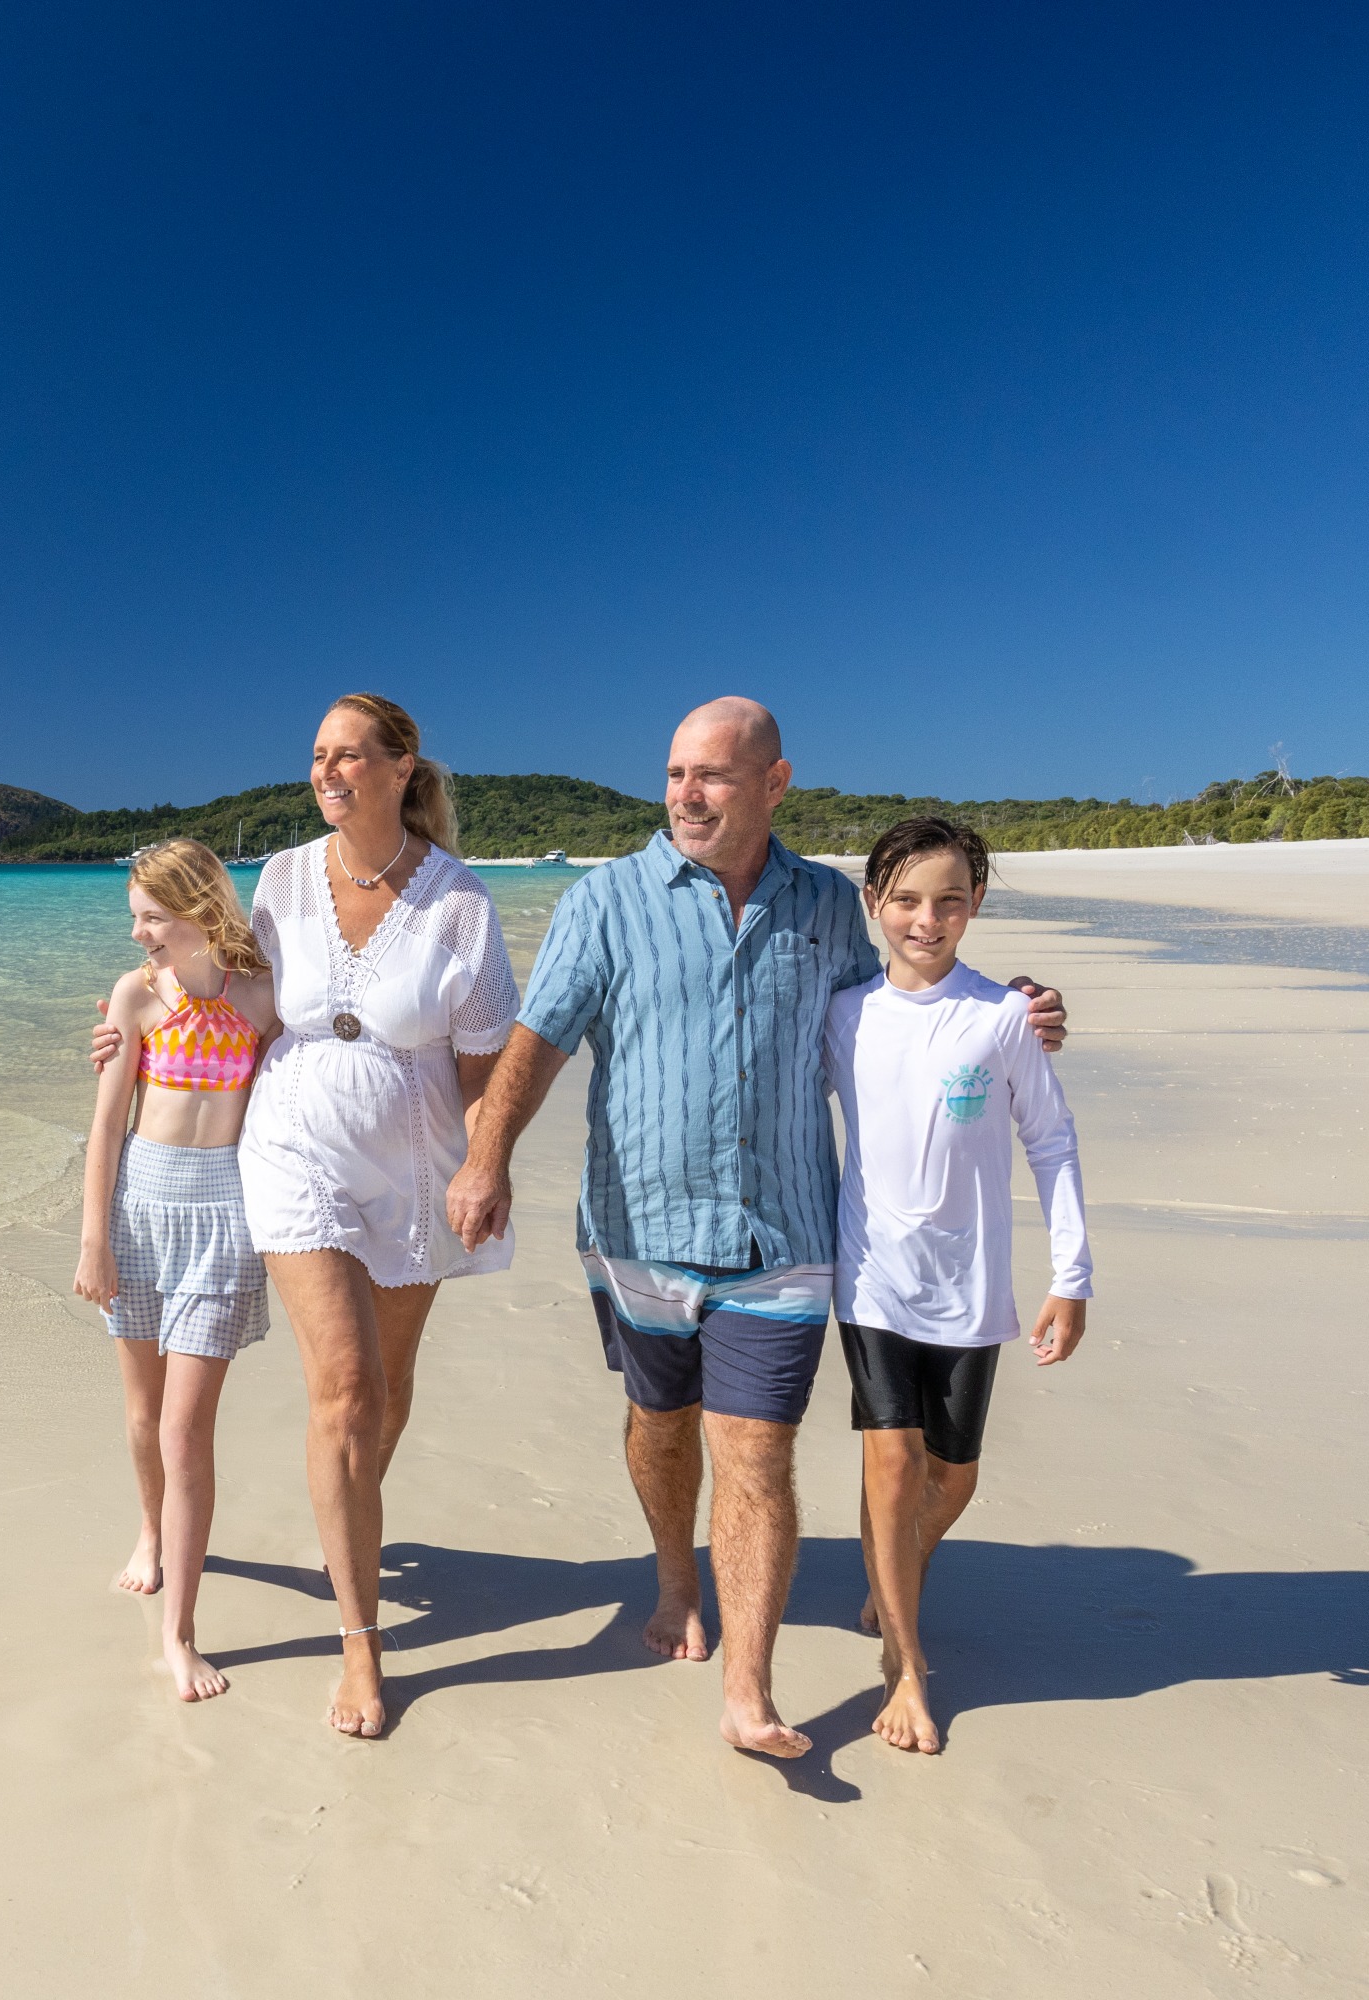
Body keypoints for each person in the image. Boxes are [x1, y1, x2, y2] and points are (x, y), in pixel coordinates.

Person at [445, 697, 1068, 1760]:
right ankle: (676, 1574)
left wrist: (1012, 1006)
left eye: (714, 776)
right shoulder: (606, 900)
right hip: (638, 1223)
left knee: (757, 1452)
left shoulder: (829, 907)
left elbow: (911, 997)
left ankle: (748, 1687)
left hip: (782, 1230)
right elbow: (538, 1037)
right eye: (677, 772)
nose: (688, 793)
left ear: (774, 784)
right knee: (662, 1423)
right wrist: (486, 1151)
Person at [97, 694, 519, 1738]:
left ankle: (345, 1516)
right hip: (287, 1146)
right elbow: (206, 970)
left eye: (348, 756)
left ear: (400, 764)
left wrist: (488, 1159)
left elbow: (482, 1064)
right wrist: (127, 1029)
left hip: (413, 1162)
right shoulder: (283, 876)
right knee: (342, 1388)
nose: (329, 772)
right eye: (317, 757)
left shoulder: (461, 903)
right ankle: (361, 1643)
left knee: (384, 1391)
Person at [829, 816, 1091, 1755]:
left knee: (954, 1476)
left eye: (947, 901)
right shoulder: (843, 1012)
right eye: (904, 899)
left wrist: (1073, 1277)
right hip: (871, 1279)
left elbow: (1051, 1145)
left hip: (972, 1288)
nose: (925, 919)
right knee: (891, 1467)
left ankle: (887, 1567)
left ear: (975, 906)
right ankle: (907, 1664)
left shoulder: (1003, 1017)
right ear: (872, 905)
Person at [73, 838, 281, 1702]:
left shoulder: (265, 993)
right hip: (141, 1210)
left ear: (200, 912)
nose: (139, 936)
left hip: (224, 1215)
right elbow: (106, 1126)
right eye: (135, 919)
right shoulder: (135, 998)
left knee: (184, 1430)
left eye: (151, 919)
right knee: (143, 1411)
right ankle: (152, 1530)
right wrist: (94, 1237)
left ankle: (178, 1634)